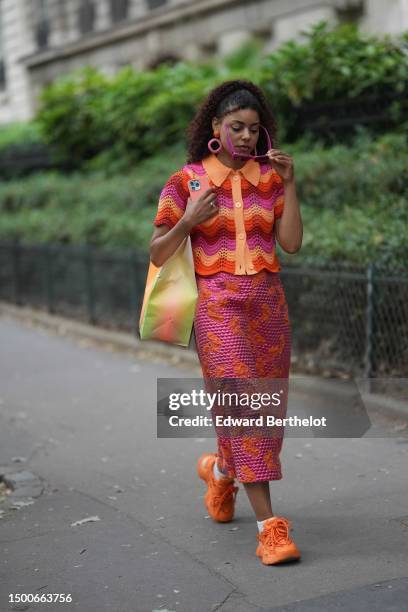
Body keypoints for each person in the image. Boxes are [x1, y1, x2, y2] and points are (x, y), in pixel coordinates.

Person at [150, 79, 303, 565]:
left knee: (264, 414)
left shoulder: (271, 179)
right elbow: (157, 252)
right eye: (235, 127)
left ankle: (220, 473)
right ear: (215, 127)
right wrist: (188, 220)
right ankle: (271, 530)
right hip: (217, 306)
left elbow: (292, 244)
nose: (245, 137)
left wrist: (292, 184)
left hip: (268, 306)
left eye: (254, 130)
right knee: (245, 408)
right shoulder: (187, 182)